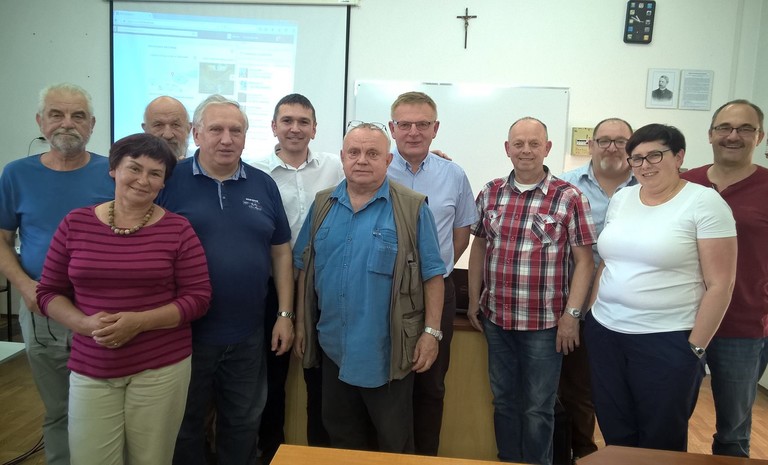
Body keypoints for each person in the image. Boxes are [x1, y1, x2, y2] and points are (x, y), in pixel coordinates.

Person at [35, 133, 212, 465]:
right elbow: (48, 293)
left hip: (160, 367)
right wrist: (83, 324)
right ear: (114, 169)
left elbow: (198, 298)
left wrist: (139, 322)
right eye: (134, 168)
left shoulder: (178, 229)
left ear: (163, 183)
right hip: (92, 365)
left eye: (155, 173)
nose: (143, 180)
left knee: (151, 459)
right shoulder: (75, 223)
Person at [294, 122, 446, 453]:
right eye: (354, 152)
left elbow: (433, 275)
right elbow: (306, 267)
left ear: (388, 160)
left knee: (394, 445)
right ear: (342, 157)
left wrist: (431, 334)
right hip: (333, 350)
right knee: (341, 441)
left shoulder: (411, 208)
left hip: (387, 354)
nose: (362, 160)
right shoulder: (322, 205)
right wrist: (301, 324)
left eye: (372, 153)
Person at [585, 123, 737, 452]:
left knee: (660, 440)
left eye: (655, 155)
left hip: (666, 340)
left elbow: (721, 284)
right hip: (606, 334)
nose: (645, 165)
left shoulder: (704, 203)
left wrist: (694, 349)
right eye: (637, 158)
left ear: (679, 156)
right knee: (615, 431)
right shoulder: (623, 198)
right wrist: (591, 315)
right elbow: (608, 262)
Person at [159, 94, 294, 465]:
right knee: (185, 426)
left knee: (243, 423)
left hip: (247, 334)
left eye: (236, 131)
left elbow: (281, 252)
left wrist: (284, 314)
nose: (226, 139)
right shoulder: (168, 181)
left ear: (246, 137)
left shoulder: (263, 184)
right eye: (216, 129)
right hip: (184, 333)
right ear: (196, 134)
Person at [467, 117, 595, 465]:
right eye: (518, 144)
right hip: (497, 320)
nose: (526, 150)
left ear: (547, 148)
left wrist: (572, 316)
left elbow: (585, 262)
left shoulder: (569, 197)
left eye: (534, 144)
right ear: (507, 149)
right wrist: (473, 299)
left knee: (538, 408)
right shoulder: (490, 192)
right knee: (504, 402)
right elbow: (479, 246)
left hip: (545, 325)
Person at [0, 83, 114, 465]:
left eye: (78, 115)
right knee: (58, 409)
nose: (67, 123)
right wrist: (23, 285)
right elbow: (2, 238)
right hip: (40, 310)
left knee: (103, 405)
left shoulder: (113, 174)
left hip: (101, 311)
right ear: (40, 121)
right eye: (56, 114)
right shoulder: (16, 174)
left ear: (92, 124)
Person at [385, 91, 477, 456]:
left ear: (435, 128)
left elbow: (461, 234)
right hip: (385, 290)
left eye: (422, 124)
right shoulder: (376, 168)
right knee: (387, 383)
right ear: (392, 128)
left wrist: (435, 272)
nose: (413, 132)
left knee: (431, 384)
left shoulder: (453, 175)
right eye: (405, 124)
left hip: (437, 291)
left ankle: (424, 458)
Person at [254, 93, 342, 462]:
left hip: (322, 288)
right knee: (270, 380)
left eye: (303, 121)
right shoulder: (253, 171)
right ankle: (271, 453)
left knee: (319, 379)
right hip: (269, 288)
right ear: (274, 126)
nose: (295, 128)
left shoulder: (336, 166)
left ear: (314, 129)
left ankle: (320, 455)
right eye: (287, 121)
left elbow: (378, 171)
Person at [680, 99, 768, 457]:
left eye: (745, 128)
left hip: (742, 327)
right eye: (725, 128)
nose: (733, 136)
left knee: (733, 430)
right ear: (710, 134)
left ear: (759, 137)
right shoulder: (686, 183)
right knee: (671, 416)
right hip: (681, 321)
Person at [557, 118, 636, 459]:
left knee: (626, 390)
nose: (611, 148)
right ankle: (584, 453)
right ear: (591, 145)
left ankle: (628, 455)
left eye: (620, 141)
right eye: (604, 140)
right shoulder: (565, 185)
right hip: (575, 302)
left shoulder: (648, 185)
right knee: (578, 388)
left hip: (629, 306)